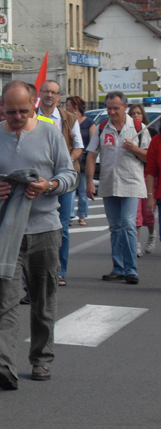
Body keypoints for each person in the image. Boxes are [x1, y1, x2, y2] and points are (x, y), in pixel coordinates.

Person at [0, 81, 76, 390]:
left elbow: (70, 175)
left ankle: (41, 358)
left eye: (23, 111)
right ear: (2, 106)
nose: (16, 117)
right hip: (5, 234)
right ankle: (3, 365)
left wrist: (49, 186)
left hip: (45, 229)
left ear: (34, 105)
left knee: (44, 301)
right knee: (4, 301)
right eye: (10, 111)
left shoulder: (50, 134)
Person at [86, 91, 150, 285]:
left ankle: (131, 269)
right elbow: (90, 155)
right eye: (109, 108)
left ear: (125, 107)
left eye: (116, 108)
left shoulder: (138, 128)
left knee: (128, 225)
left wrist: (135, 149)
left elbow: (149, 157)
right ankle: (118, 267)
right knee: (115, 227)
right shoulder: (102, 127)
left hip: (131, 183)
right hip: (108, 183)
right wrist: (89, 181)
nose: (112, 112)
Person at [37, 81, 83, 286]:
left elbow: (79, 148)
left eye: (54, 92)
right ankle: (36, 272)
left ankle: (59, 271)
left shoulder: (69, 118)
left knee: (62, 226)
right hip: (38, 181)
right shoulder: (30, 116)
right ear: (40, 94)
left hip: (63, 181)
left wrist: (64, 165)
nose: (49, 95)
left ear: (59, 97)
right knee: (36, 226)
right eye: (46, 91)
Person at [129, 104, 157, 256]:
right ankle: (137, 244)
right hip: (133, 176)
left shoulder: (150, 132)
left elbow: (151, 158)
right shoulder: (128, 132)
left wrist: (134, 149)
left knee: (148, 213)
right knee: (136, 213)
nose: (136, 116)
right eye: (133, 113)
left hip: (148, 176)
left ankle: (152, 235)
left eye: (138, 113)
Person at [64, 96, 93, 226]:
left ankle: (82, 215)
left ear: (76, 107)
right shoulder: (68, 121)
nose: (66, 107)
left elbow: (93, 143)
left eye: (68, 105)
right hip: (71, 158)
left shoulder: (89, 122)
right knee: (70, 189)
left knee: (82, 189)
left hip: (84, 160)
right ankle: (70, 215)